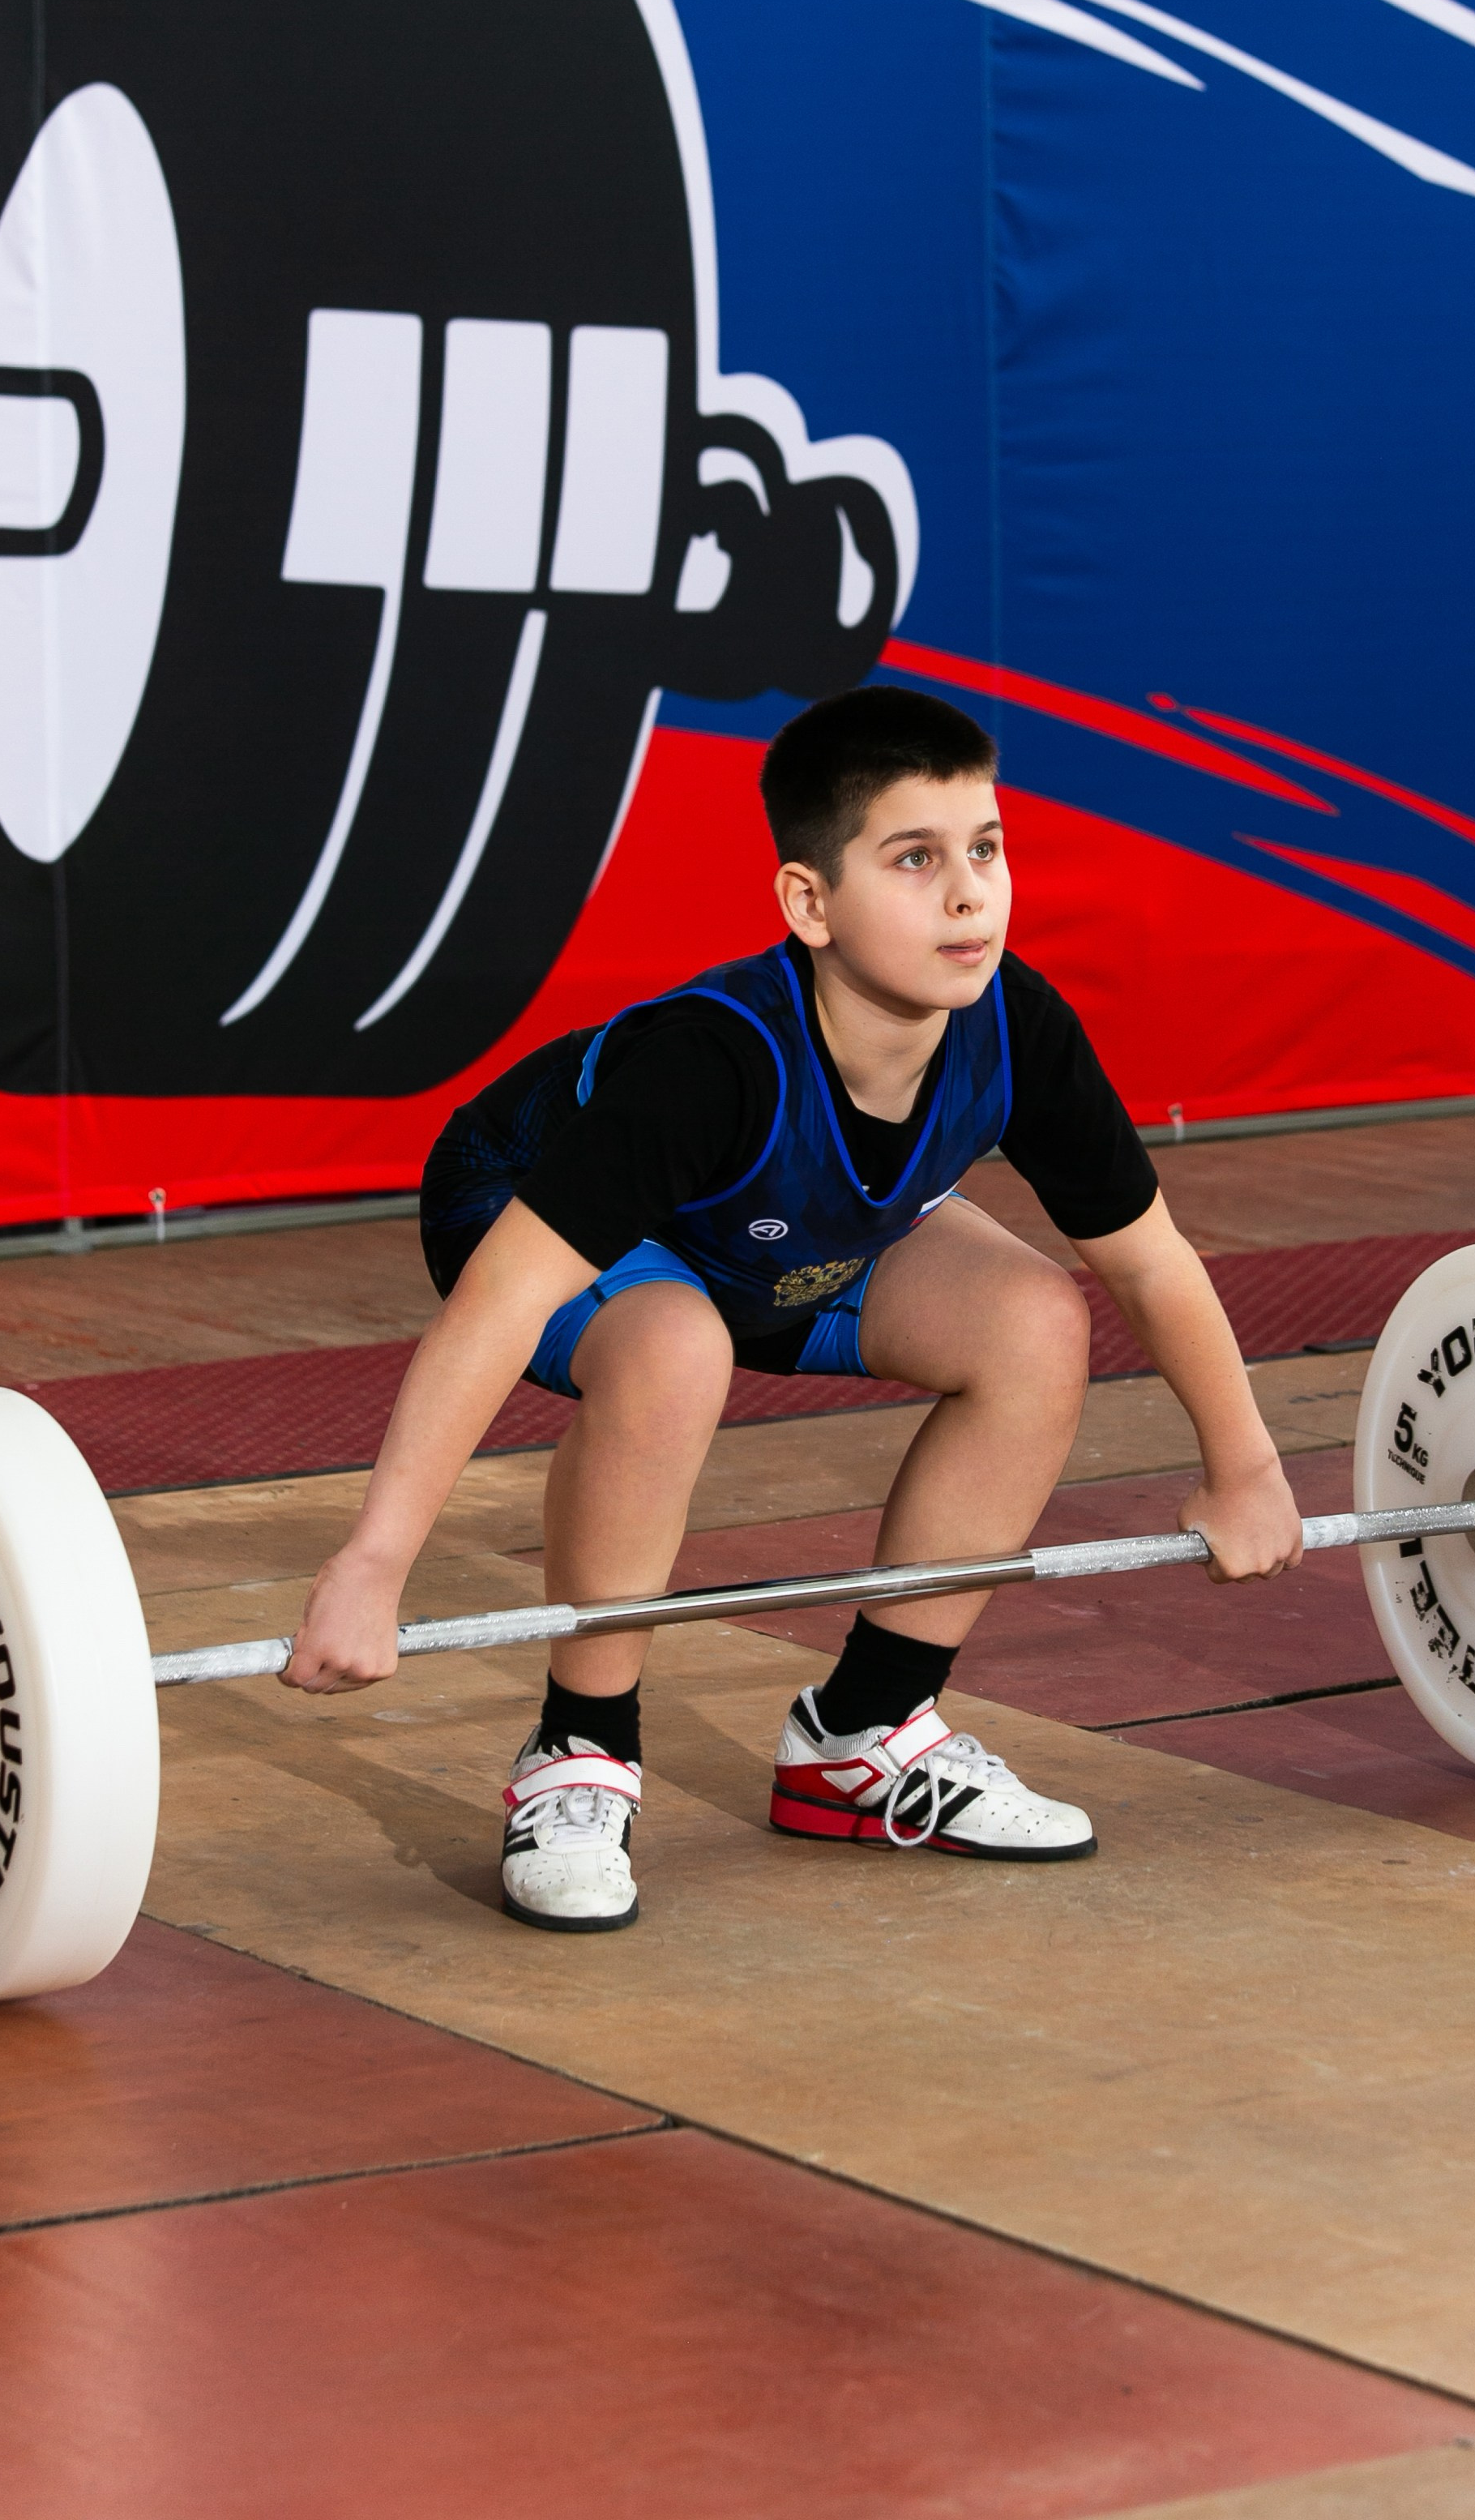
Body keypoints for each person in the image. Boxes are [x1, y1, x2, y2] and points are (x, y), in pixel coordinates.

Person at [284, 687, 1303, 1931]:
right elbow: (497, 1308)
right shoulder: (710, 1064)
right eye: (915, 859)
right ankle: (582, 1748)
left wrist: (1245, 1469)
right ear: (809, 904)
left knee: (1035, 1320)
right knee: (674, 1347)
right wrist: (374, 1564)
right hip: (536, 1208)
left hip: (783, 1239)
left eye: (986, 848)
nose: (970, 895)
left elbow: (1151, 1263)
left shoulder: (1016, 1027)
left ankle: (863, 1739)